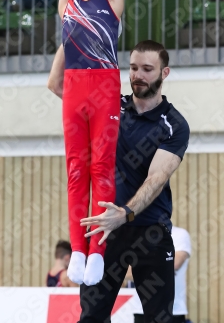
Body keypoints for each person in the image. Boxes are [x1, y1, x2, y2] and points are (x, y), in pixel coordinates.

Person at [48, 39, 190, 323]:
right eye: (134, 67)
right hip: (105, 232)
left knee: (158, 319)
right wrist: (72, 34)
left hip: (150, 232)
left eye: (148, 69)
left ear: (165, 73)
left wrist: (124, 214)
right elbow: (57, 84)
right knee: (91, 317)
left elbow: (156, 178)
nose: (138, 74)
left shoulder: (174, 124)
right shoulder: (110, 107)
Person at [46, 0, 133, 287]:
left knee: (102, 168)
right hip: (75, 88)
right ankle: (78, 248)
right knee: (76, 170)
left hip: (103, 86)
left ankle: (98, 248)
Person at [171, 225, 191, 323]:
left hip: (173, 309)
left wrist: (142, 267)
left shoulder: (179, 234)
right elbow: (126, 272)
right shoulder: (140, 236)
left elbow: (175, 263)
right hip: (140, 308)